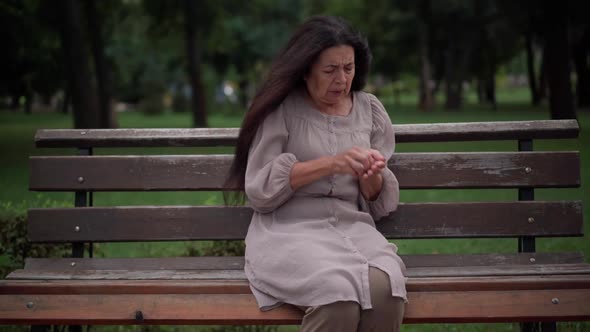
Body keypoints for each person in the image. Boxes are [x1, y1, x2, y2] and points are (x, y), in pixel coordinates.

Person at [225, 15, 406, 332]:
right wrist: (332, 163)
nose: (342, 79)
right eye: (330, 70)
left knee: (386, 291)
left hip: (353, 228)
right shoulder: (282, 109)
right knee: (337, 298)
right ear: (306, 69)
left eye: (348, 68)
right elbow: (261, 190)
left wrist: (371, 174)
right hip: (287, 231)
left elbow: (378, 201)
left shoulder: (369, 110)